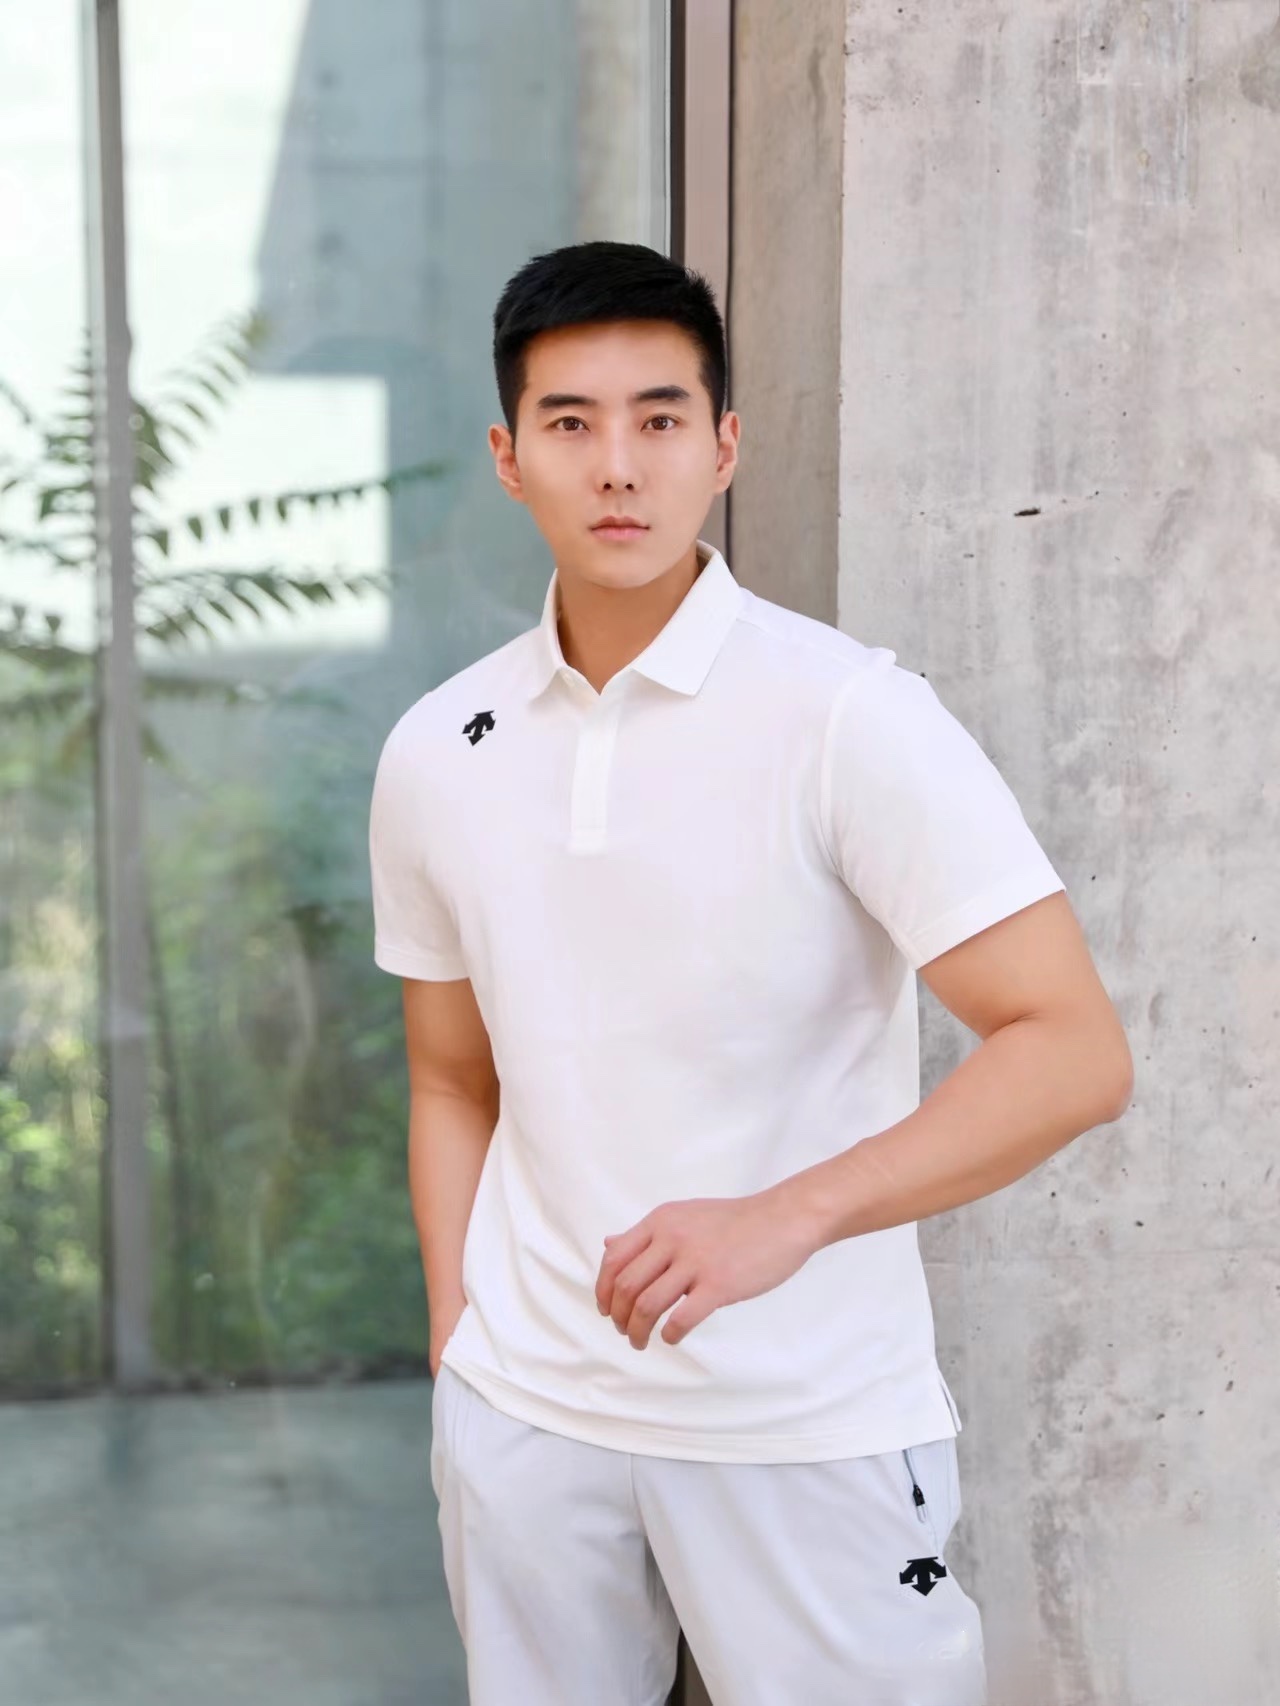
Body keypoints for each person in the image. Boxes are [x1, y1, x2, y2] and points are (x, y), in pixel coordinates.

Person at [368, 240, 1132, 1706]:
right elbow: (452, 1078)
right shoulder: (437, 751)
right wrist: (461, 1343)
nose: (617, 465)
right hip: (528, 1421)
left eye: (658, 418)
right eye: (570, 422)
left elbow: (1073, 1048)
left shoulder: (849, 716)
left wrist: (786, 1216)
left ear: (723, 446)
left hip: (806, 1421)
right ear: (508, 457)